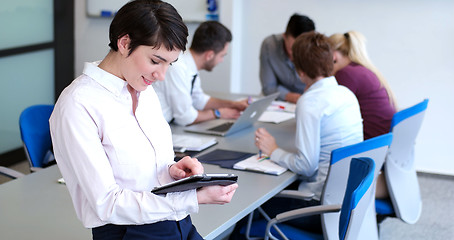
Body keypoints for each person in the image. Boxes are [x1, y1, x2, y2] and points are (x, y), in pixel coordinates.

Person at [49, 1, 238, 239]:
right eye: (156, 61)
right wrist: (194, 197)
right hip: (128, 231)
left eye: (170, 64)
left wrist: (172, 170)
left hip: (177, 222)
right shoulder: (78, 104)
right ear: (125, 43)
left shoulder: (144, 90)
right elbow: (107, 203)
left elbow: (139, 169)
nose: (161, 75)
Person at [254, 32, 363, 233]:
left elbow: (306, 166)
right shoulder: (347, 94)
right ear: (332, 60)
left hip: (318, 207)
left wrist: (273, 150)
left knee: (252, 206)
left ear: (299, 71)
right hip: (347, 203)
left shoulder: (310, 103)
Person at [153, 21, 248, 126]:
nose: (221, 61)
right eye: (222, 56)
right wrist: (218, 113)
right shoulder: (177, 67)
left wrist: (233, 105)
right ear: (209, 55)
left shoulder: (190, 65)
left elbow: (199, 100)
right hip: (160, 127)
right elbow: (185, 118)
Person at [328, 31, 397, 140]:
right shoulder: (362, 70)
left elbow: (331, 115)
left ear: (333, 56)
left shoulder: (345, 74)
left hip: (369, 144)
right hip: (381, 141)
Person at [259, 13, 315, 103]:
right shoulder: (269, 46)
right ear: (284, 36)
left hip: (310, 101)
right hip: (280, 101)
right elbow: (269, 88)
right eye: (292, 49)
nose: (297, 55)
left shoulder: (319, 50)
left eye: (302, 50)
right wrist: (293, 97)